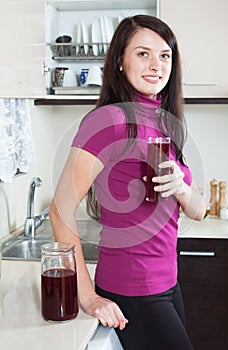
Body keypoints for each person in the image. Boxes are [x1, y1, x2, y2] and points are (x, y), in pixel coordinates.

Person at [49, 14, 206, 350]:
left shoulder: (167, 124)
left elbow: (200, 210)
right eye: (143, 53)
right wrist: (88, 296)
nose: (156, 65)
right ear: (120, 61)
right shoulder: (109, 120)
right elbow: (60, 209)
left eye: (165, 55)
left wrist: (181, 187)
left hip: (168, 284)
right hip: (132, 290)